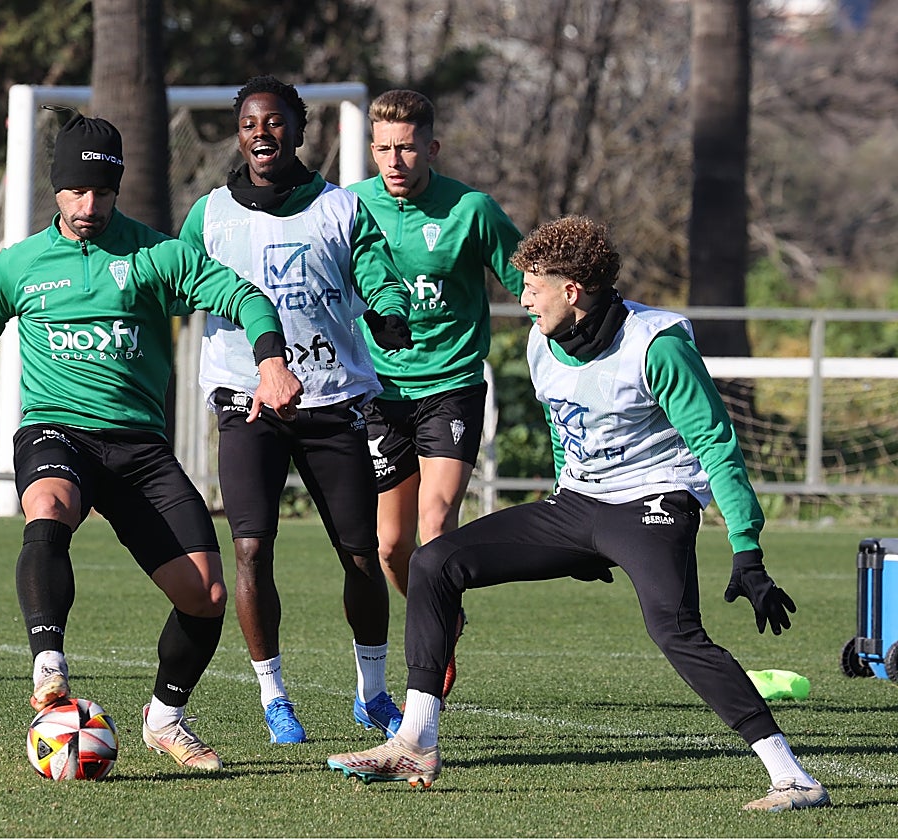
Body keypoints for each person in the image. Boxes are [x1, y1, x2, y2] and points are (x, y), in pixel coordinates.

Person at [326, 215, 830, 812]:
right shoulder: (541, 341)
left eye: (532, 288)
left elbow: (717, 445)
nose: (522, 300)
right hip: (577, 503)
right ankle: (416, 741)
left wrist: (747, 551)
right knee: (433, 563)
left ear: (572, 291)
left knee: (674, 629)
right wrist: (573, 529)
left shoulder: (657, 345)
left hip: (651, 502)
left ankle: (792, 777)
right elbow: (567, 435)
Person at [0, 110, 303, 773]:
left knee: (206, 595)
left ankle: (165, 717)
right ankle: (49, 664)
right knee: (48, 507)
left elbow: (246, 297)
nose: (89, 207)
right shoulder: (19, 265)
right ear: (56, 189)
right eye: (77, 192)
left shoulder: (157, 255)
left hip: (139, 447)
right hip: (56, 429)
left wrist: (271, 361)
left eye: (102, 193)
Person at [178, 75, 412, 745]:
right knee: (251, 548)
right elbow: (180, 278)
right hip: (245, 402)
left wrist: (389, 312)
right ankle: (273, 696)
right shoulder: (210, 215)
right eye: (250, 123)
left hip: (332, 400)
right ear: (239, 135)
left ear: (299, 130)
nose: (262, 133)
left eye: (275, 121)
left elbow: (377, 274)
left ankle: (372, 693)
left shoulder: (340, 208)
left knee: (360, 555)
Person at [347, 89, 524, 703]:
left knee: (436, 521)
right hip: (379, 392)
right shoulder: (350, 207)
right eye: (383, 149)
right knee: (391, 547)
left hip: (451, 385)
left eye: (405, 147)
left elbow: (527, 281)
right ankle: (444, 610)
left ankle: (433, 645)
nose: (393, 160)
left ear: (432, 147)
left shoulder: (472, 209)